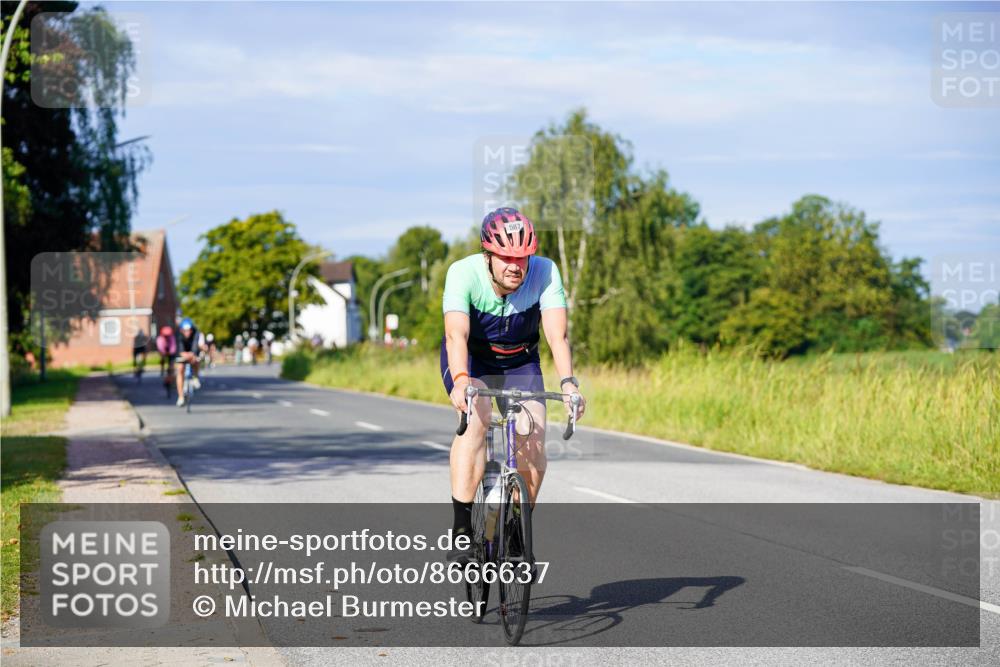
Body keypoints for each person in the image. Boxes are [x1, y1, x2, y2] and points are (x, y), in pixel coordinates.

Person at [441, 207, 586, 563]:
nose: (515, 266)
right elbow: (456, 335)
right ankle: (462, 530)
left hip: (520, 361)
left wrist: (568, 384)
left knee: (533, 433)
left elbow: (557, 335)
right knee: (476, 418)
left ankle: (517, 530)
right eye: (506, 257)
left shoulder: (545, 271)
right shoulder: (462, 272)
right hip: (472, 360)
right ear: (487, 255)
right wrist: (460, 382)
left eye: (522, 257)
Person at [174, 318, 206, 406]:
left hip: (192, 351)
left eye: (189, 330)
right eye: (185, 331)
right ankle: (180, 397)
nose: (187, 333)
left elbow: (195, 347)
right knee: (180, 369)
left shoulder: (196, 333)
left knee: (196, 360)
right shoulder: (178, 334)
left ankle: (195, 377)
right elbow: (179, 348)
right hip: (182, 352)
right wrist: (184, 355)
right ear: (182, 330)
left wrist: (192, 354)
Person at [156, 325, 177, 393]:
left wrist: (170, 352)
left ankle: (171, 376)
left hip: (170, 352)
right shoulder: (160, 339)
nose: (167, 337)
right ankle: (162, 369)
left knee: (171, 365)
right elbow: (160, 348)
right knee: (162, 359)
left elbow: (173, 347)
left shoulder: (172, 338)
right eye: (165, 336)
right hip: (163, 351)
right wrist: (164, 353)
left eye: (168, 335)